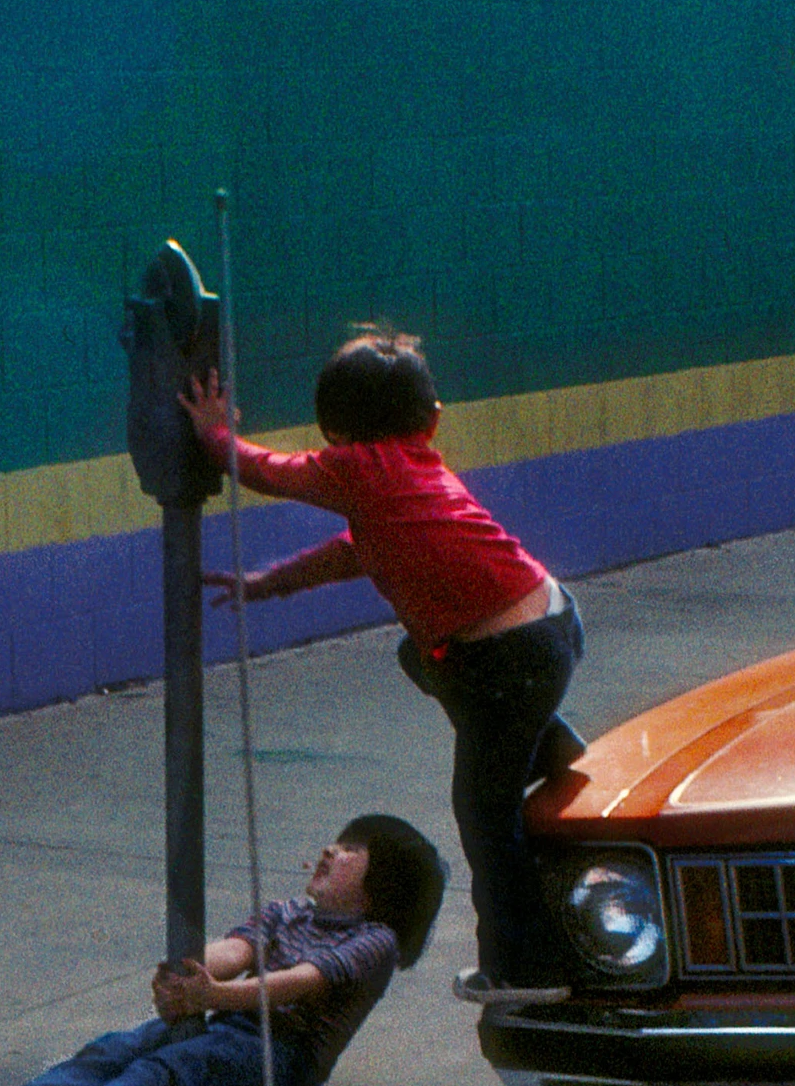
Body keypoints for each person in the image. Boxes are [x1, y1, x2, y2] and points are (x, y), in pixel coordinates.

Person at [186, 332, 585, 1007]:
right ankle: (545, 738)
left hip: (508, 659)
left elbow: (268, 471)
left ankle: (525, 967)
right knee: (419, 653)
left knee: (485, 814)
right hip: (543, 627)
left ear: (335, 429)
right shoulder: (407, 470)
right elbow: (356, 552)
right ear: (428, 417)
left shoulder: (358, 469)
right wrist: (270, 583)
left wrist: (214, 436)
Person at [0, 815, 445, 1086]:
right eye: (338, 840)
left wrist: (213, 995)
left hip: (284, 1062)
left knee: (170, 1073)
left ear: (381, 888)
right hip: (229, 1027)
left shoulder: (375, 941)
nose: (332, 850)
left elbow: (303, 981)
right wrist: (189, 974)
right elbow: (236, 949)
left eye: (354, 850)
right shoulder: (289, 912)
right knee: (119, 1048)